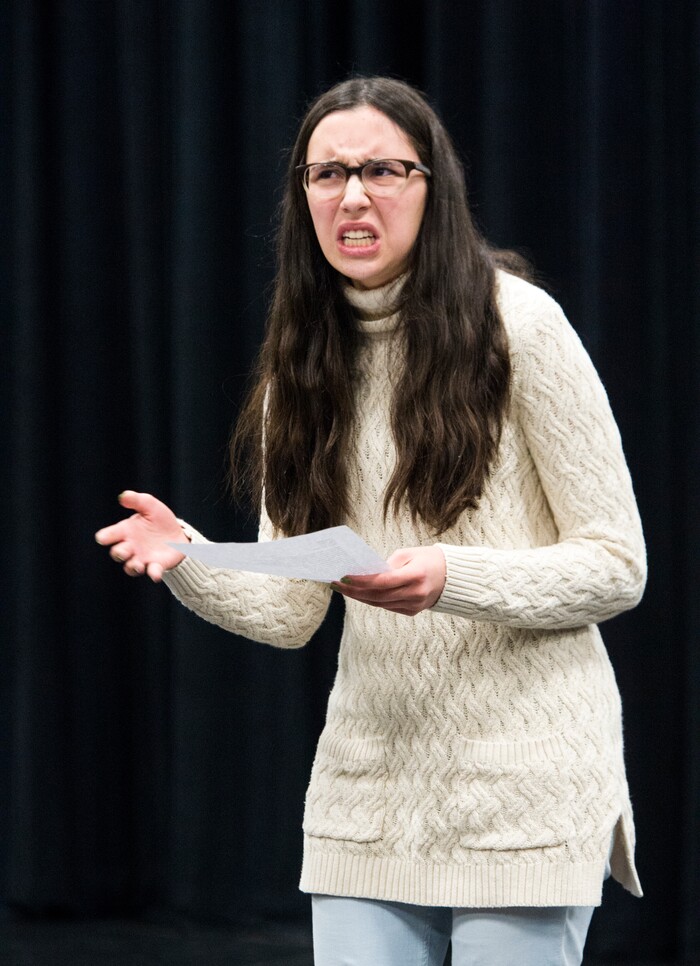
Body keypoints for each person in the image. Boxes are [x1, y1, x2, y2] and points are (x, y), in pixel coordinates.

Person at [95, 76, 646, 965]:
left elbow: (619, 565)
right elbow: (291, 611)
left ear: (433, 188)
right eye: (326, 174)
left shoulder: (523, 328)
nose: (352, 195)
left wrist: (449, 579)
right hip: (370, 792)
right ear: (303, 197)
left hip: (526, 790)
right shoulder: (302, 373)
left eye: (381, 170)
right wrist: (187, 557)